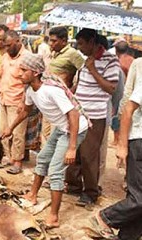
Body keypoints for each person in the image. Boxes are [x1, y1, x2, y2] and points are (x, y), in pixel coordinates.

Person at [2, 53, 88, 228]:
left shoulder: (51, 90)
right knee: (42, 159)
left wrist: (71, 147)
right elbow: (25, 111)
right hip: (60, 128)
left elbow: (74, 114)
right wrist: (10, 128)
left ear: (35, 72)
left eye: (23, 70)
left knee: (56, 171)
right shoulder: (30, 90)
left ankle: (54, 217)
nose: (19, 74)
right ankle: (32, 195)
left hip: (75, 129)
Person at [66, 29, 120, 206]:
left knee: (89, 154)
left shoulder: (110, 61)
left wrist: (93, 70)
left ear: (92, 41)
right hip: (78, 112)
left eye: (81, 43)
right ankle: (74, 185)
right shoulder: (85, 61)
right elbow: (80, 85)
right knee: (75, 151)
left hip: (95, 115)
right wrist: (68, 94)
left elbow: (111, 88)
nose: (79, 48)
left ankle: (90, 192)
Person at [89, 59, 142, 240]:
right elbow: (128, 109)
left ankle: (127, 236)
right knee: (139, 199)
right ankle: (105, 217)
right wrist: (122, 145)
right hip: (139, 141)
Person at [0, 30, 30, 174]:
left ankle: (17, 161)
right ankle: (8, 157)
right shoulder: (6, 57)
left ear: (18, 42)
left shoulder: (27, 57)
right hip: (4, 98)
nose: (6, 49)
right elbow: (0, 78)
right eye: (5, 46)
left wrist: (23, 101)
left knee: (18, 133)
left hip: (18, 100)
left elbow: (29, 83)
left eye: (8, 45)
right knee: (3, 131)